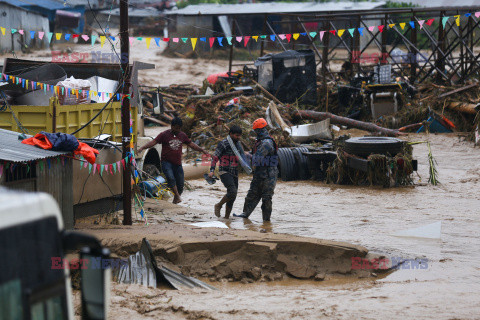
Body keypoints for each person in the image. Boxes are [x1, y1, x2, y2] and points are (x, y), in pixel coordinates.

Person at [138, 117, 209, 204]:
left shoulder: (182, 135)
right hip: (166, 163)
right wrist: (142, 147)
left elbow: (191, 145)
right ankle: (177, 196)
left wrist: (202, 150)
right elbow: (153, 142)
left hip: (177, 164)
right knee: (171, 178)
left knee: (180, 185)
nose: (177, 130)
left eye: (179, 128)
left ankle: (175, 200)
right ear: (171, 126)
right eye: (176, 128)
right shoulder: (164, 134)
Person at [234, 118, 278, 221]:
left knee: (266, 199)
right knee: (251, 195)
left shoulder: (266, 143)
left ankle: (266, 221)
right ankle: (245, 214)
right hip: (259, 173)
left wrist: (246, 155)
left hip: (269, 176)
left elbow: (256, 159)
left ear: (259, 130)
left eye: (256, 131)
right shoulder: (260, 141)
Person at [208, 125, 246, 218]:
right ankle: (219, 205)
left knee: (233, 196)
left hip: (234, 172)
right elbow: (215, 157)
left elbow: (242, 156)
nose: (238, 137)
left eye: (239, 135)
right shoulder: (224, 143)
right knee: (232, 192)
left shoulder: (238, 144)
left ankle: (226, 218)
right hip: (224, 171)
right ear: (231, 134)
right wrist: (212, 170)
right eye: (237, 135)